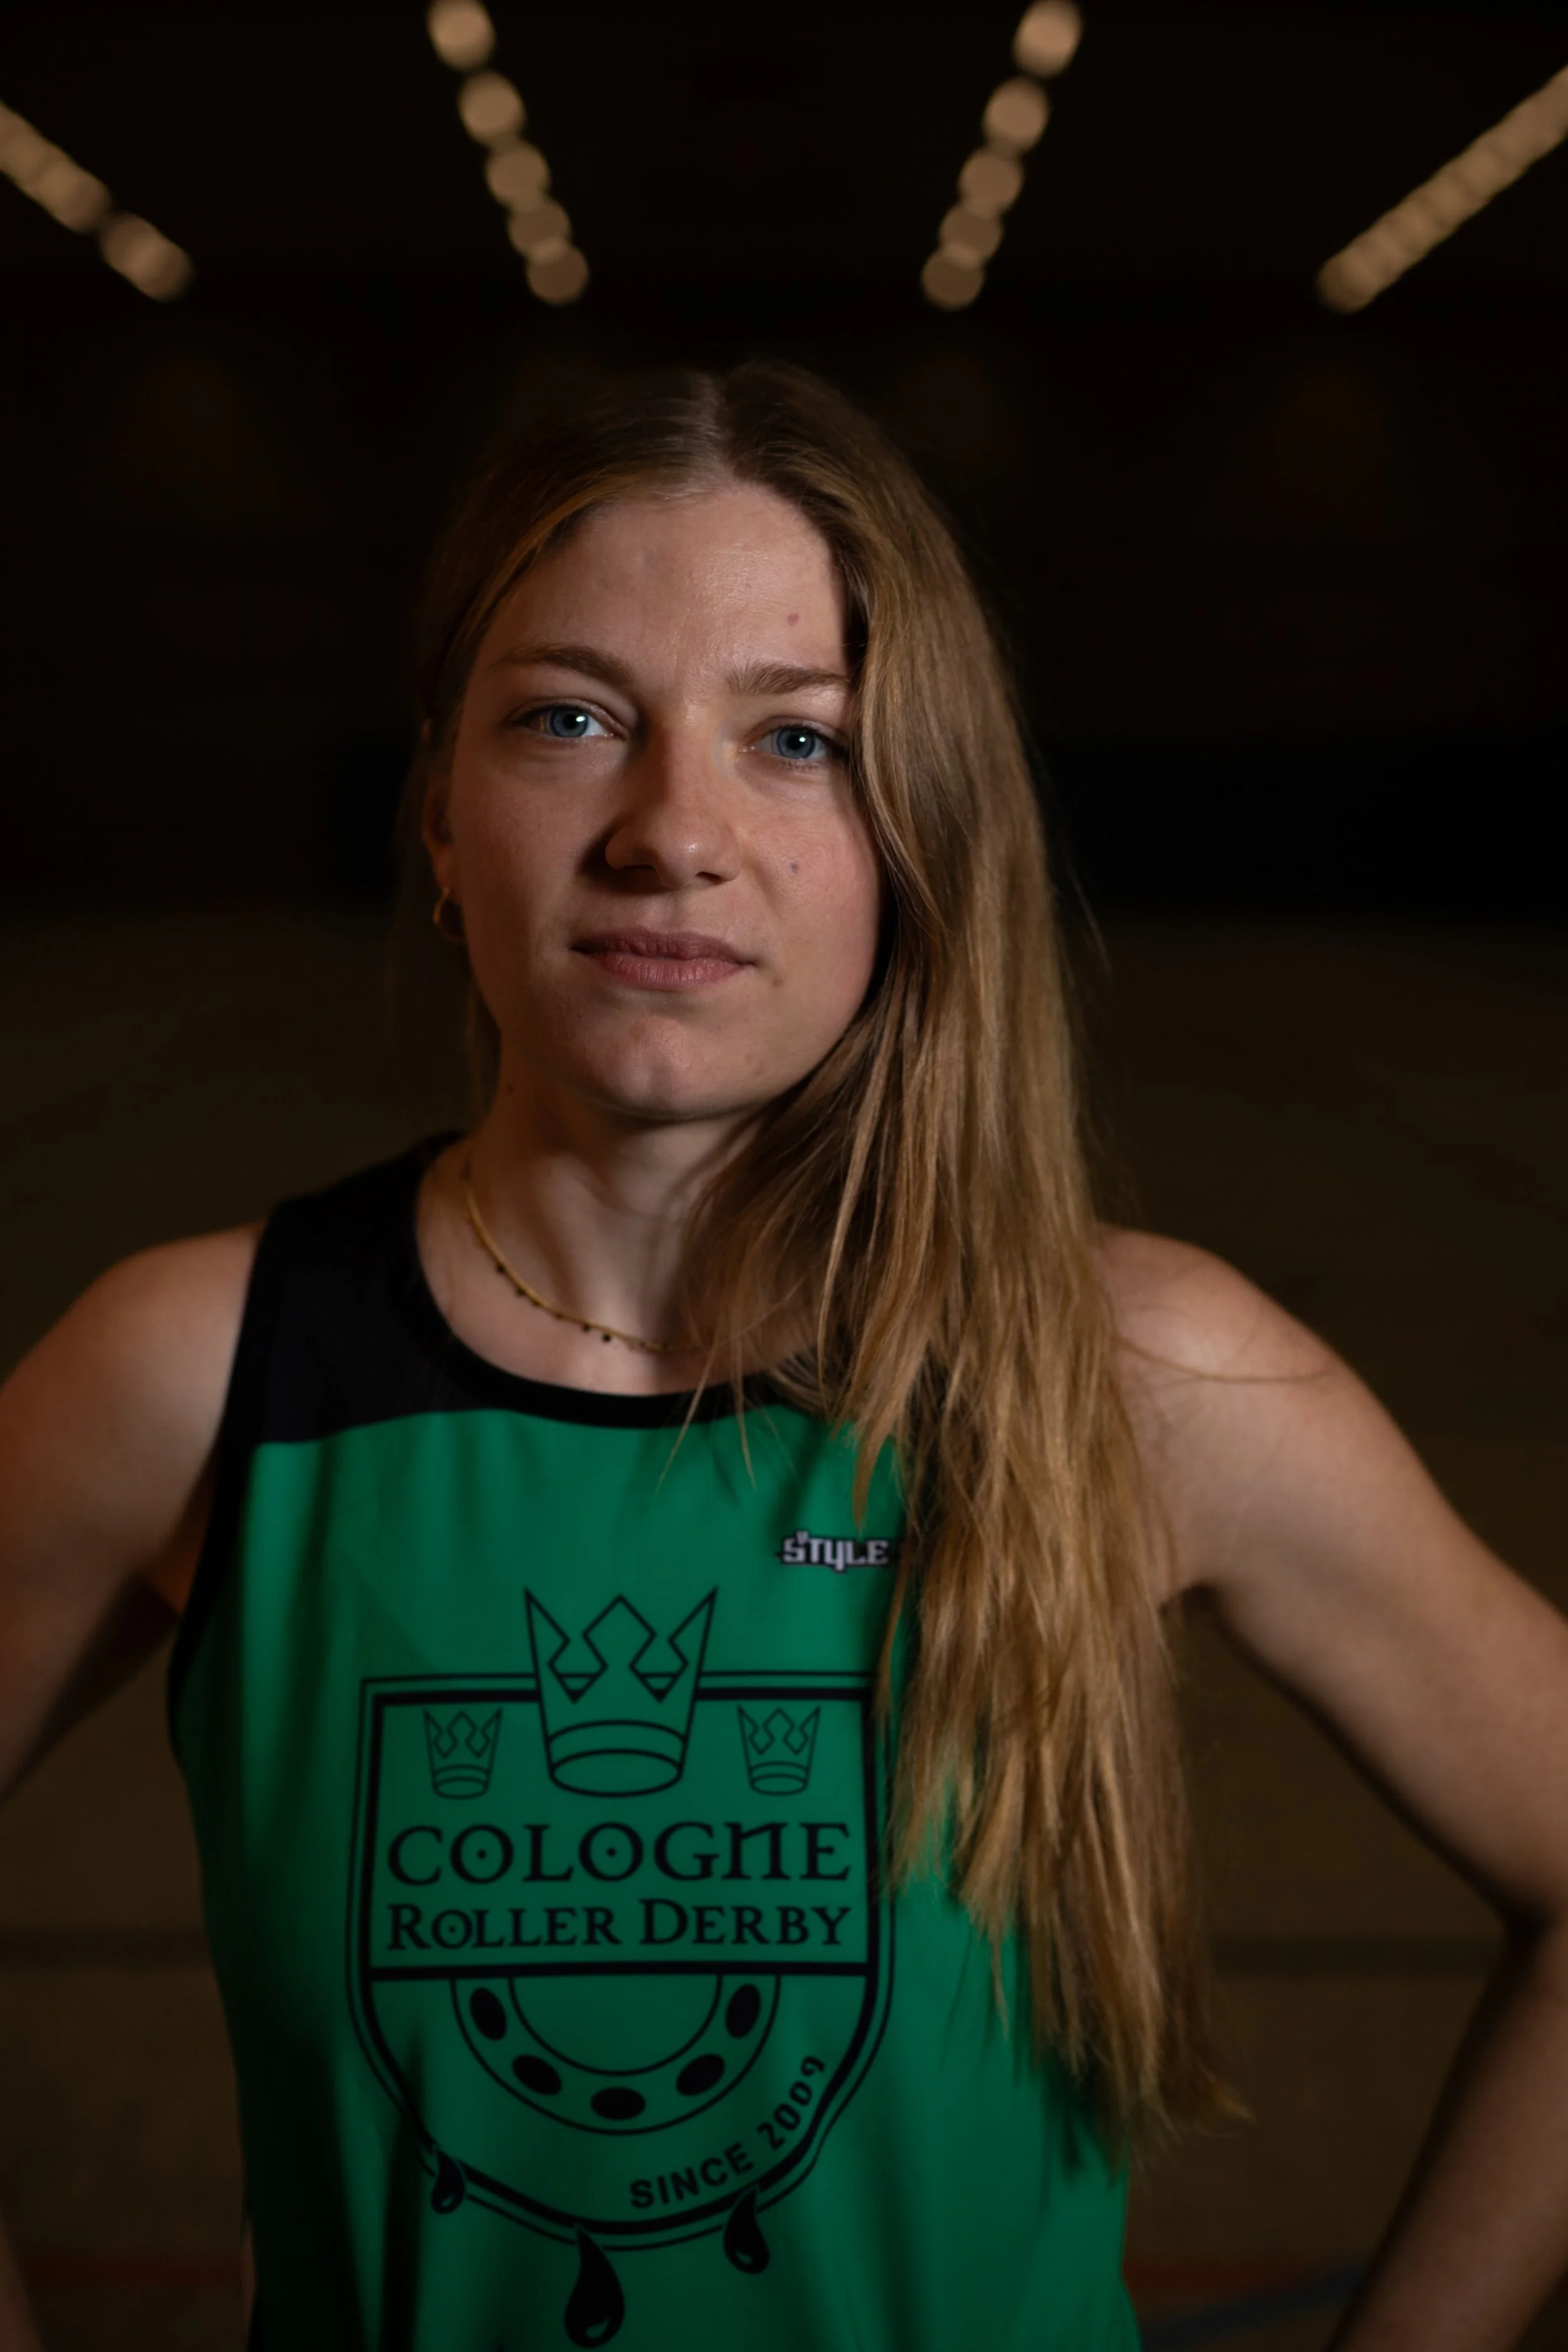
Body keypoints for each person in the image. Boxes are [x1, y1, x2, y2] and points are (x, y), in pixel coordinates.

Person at [2, 363, 1567, 2352]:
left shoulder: (1134, 1372)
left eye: (798, 742)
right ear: (439, 816)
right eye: (570, 720)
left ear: (922, 831)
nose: (673, 830)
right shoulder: (201, 1370)